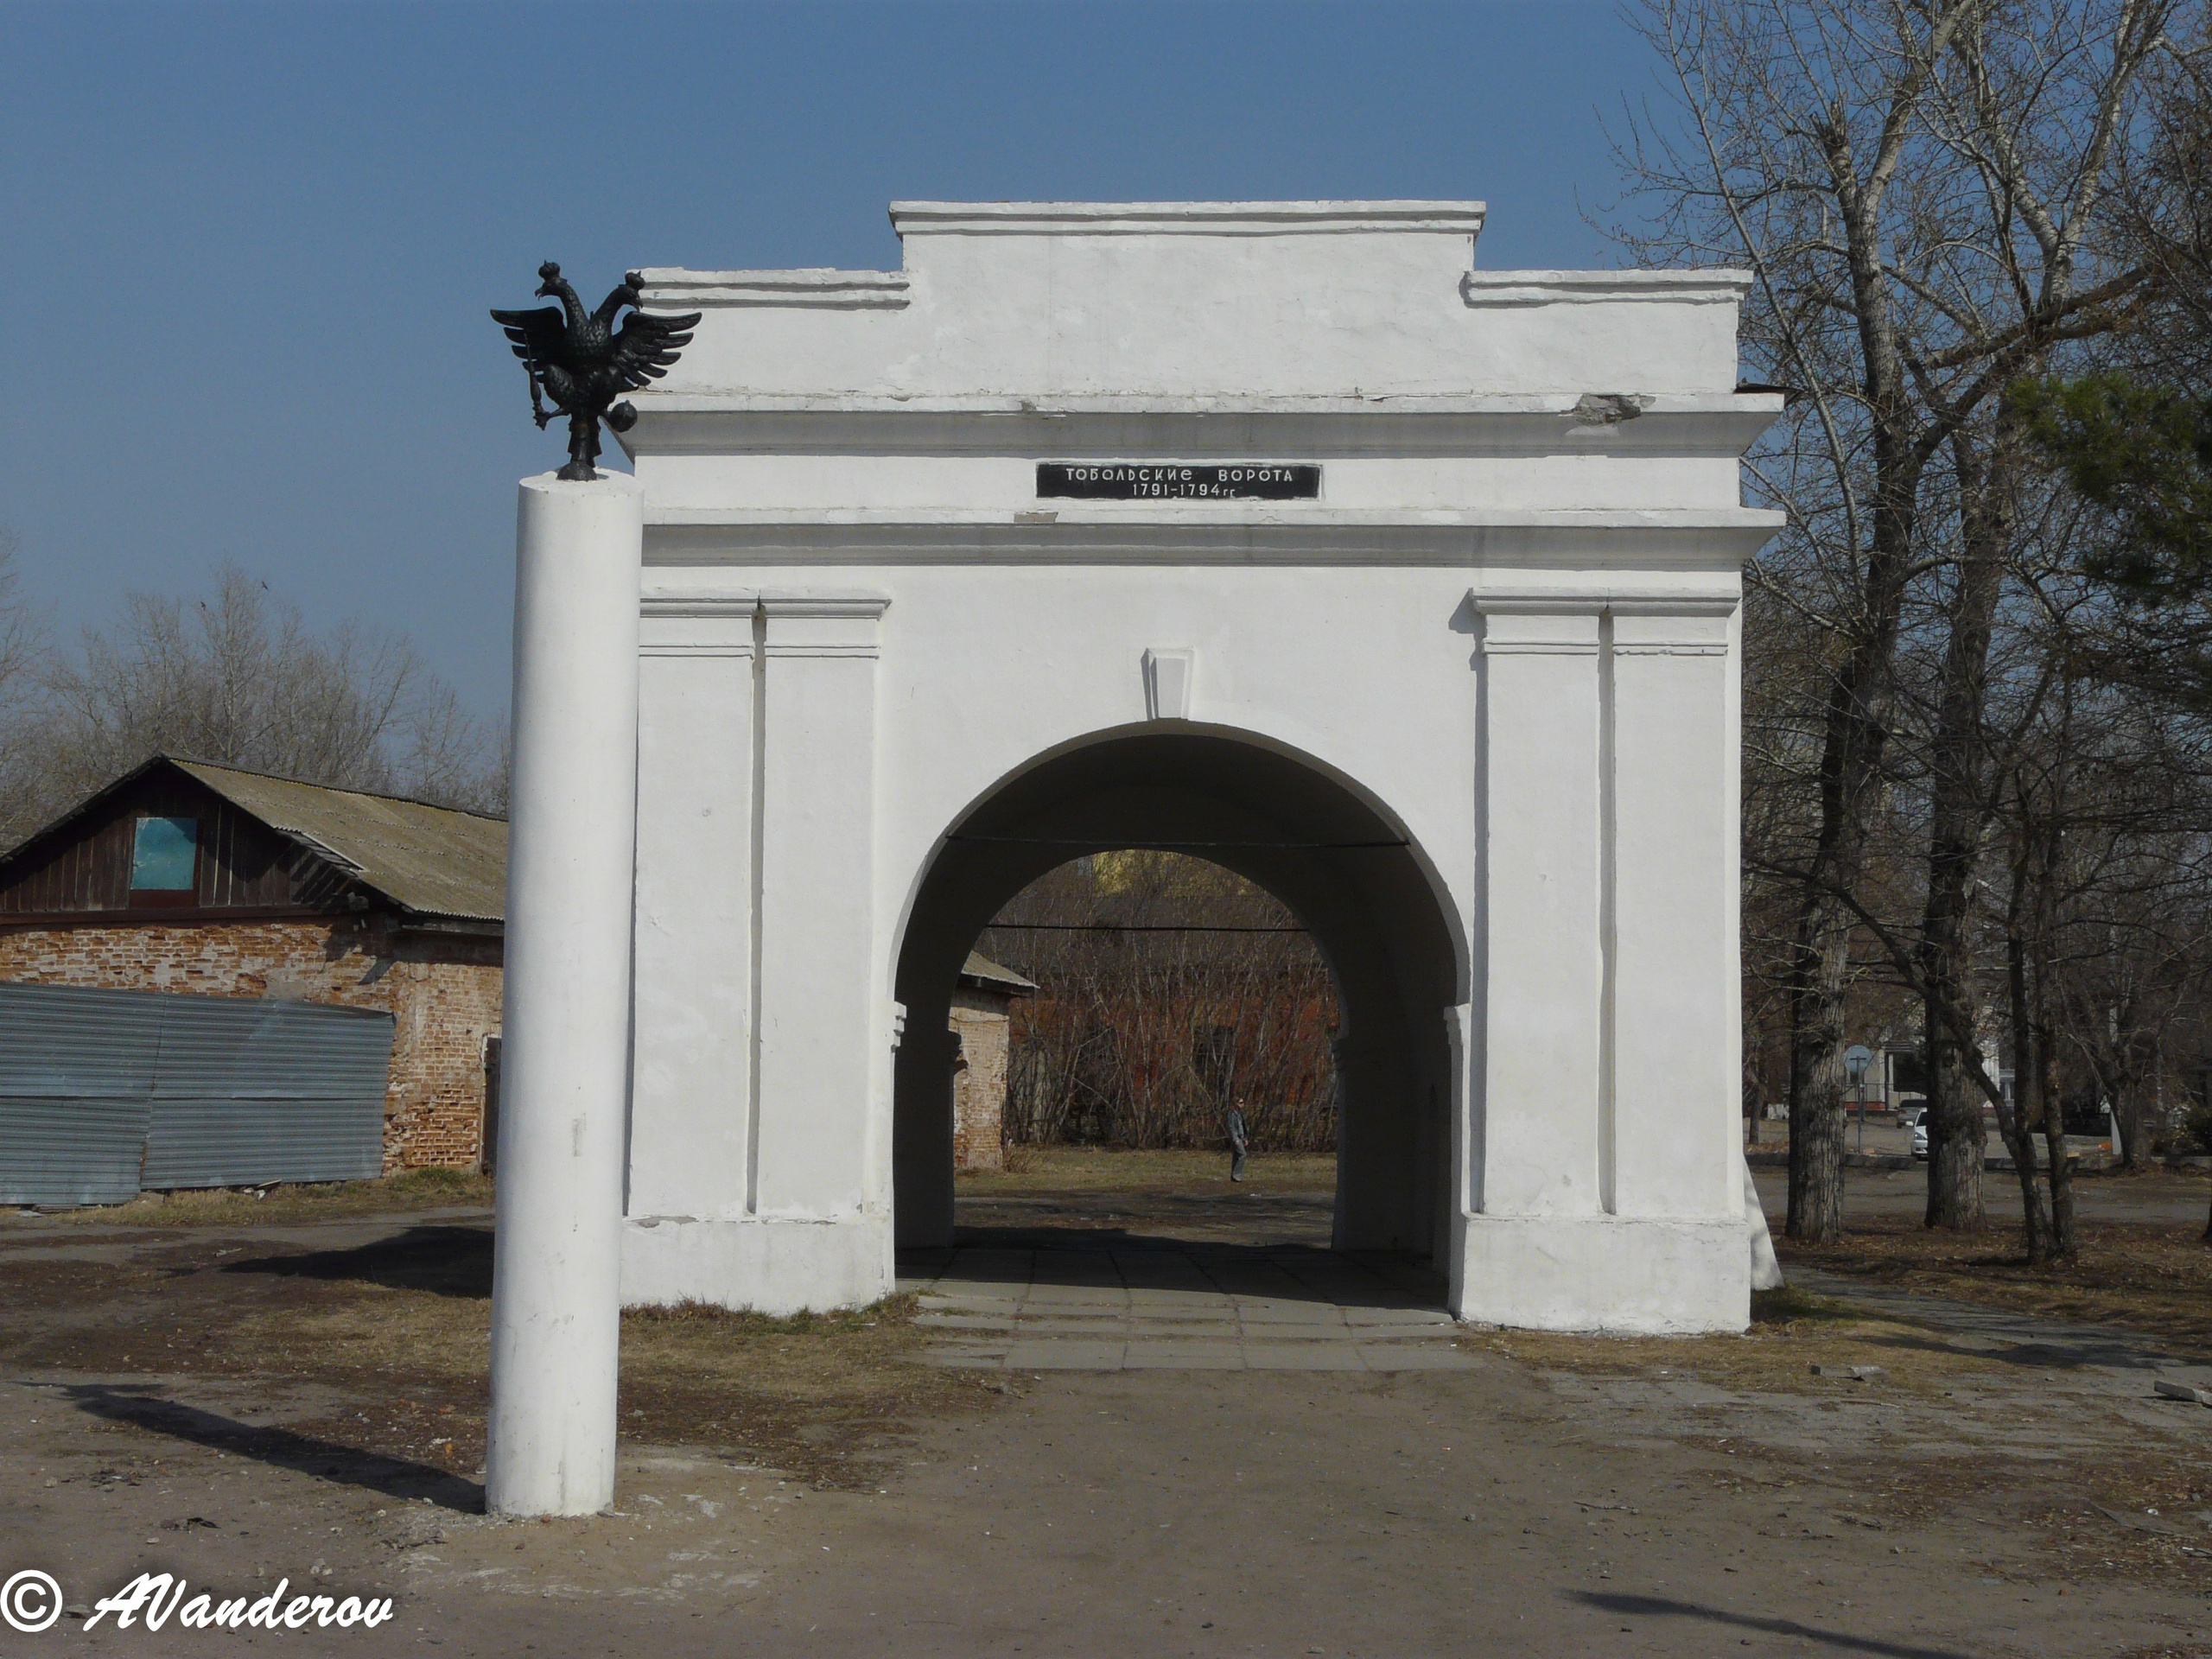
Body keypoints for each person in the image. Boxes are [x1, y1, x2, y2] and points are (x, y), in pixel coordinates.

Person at [1226, 1100, 1249, 1182]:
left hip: (1241, 1136)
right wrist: (1235, 1138)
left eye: (1243, 1102)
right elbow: (1232, 1127)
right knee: (1243, 1154)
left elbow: (1243, 1126)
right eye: (1240, 1103)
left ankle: (1233, 1176)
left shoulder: (1240, 1113)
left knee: (1236, 1156)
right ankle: (1236, 1174)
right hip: (1236, 1137)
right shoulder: (1232, 1113)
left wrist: (1245, 1138)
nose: (1242, 1104)